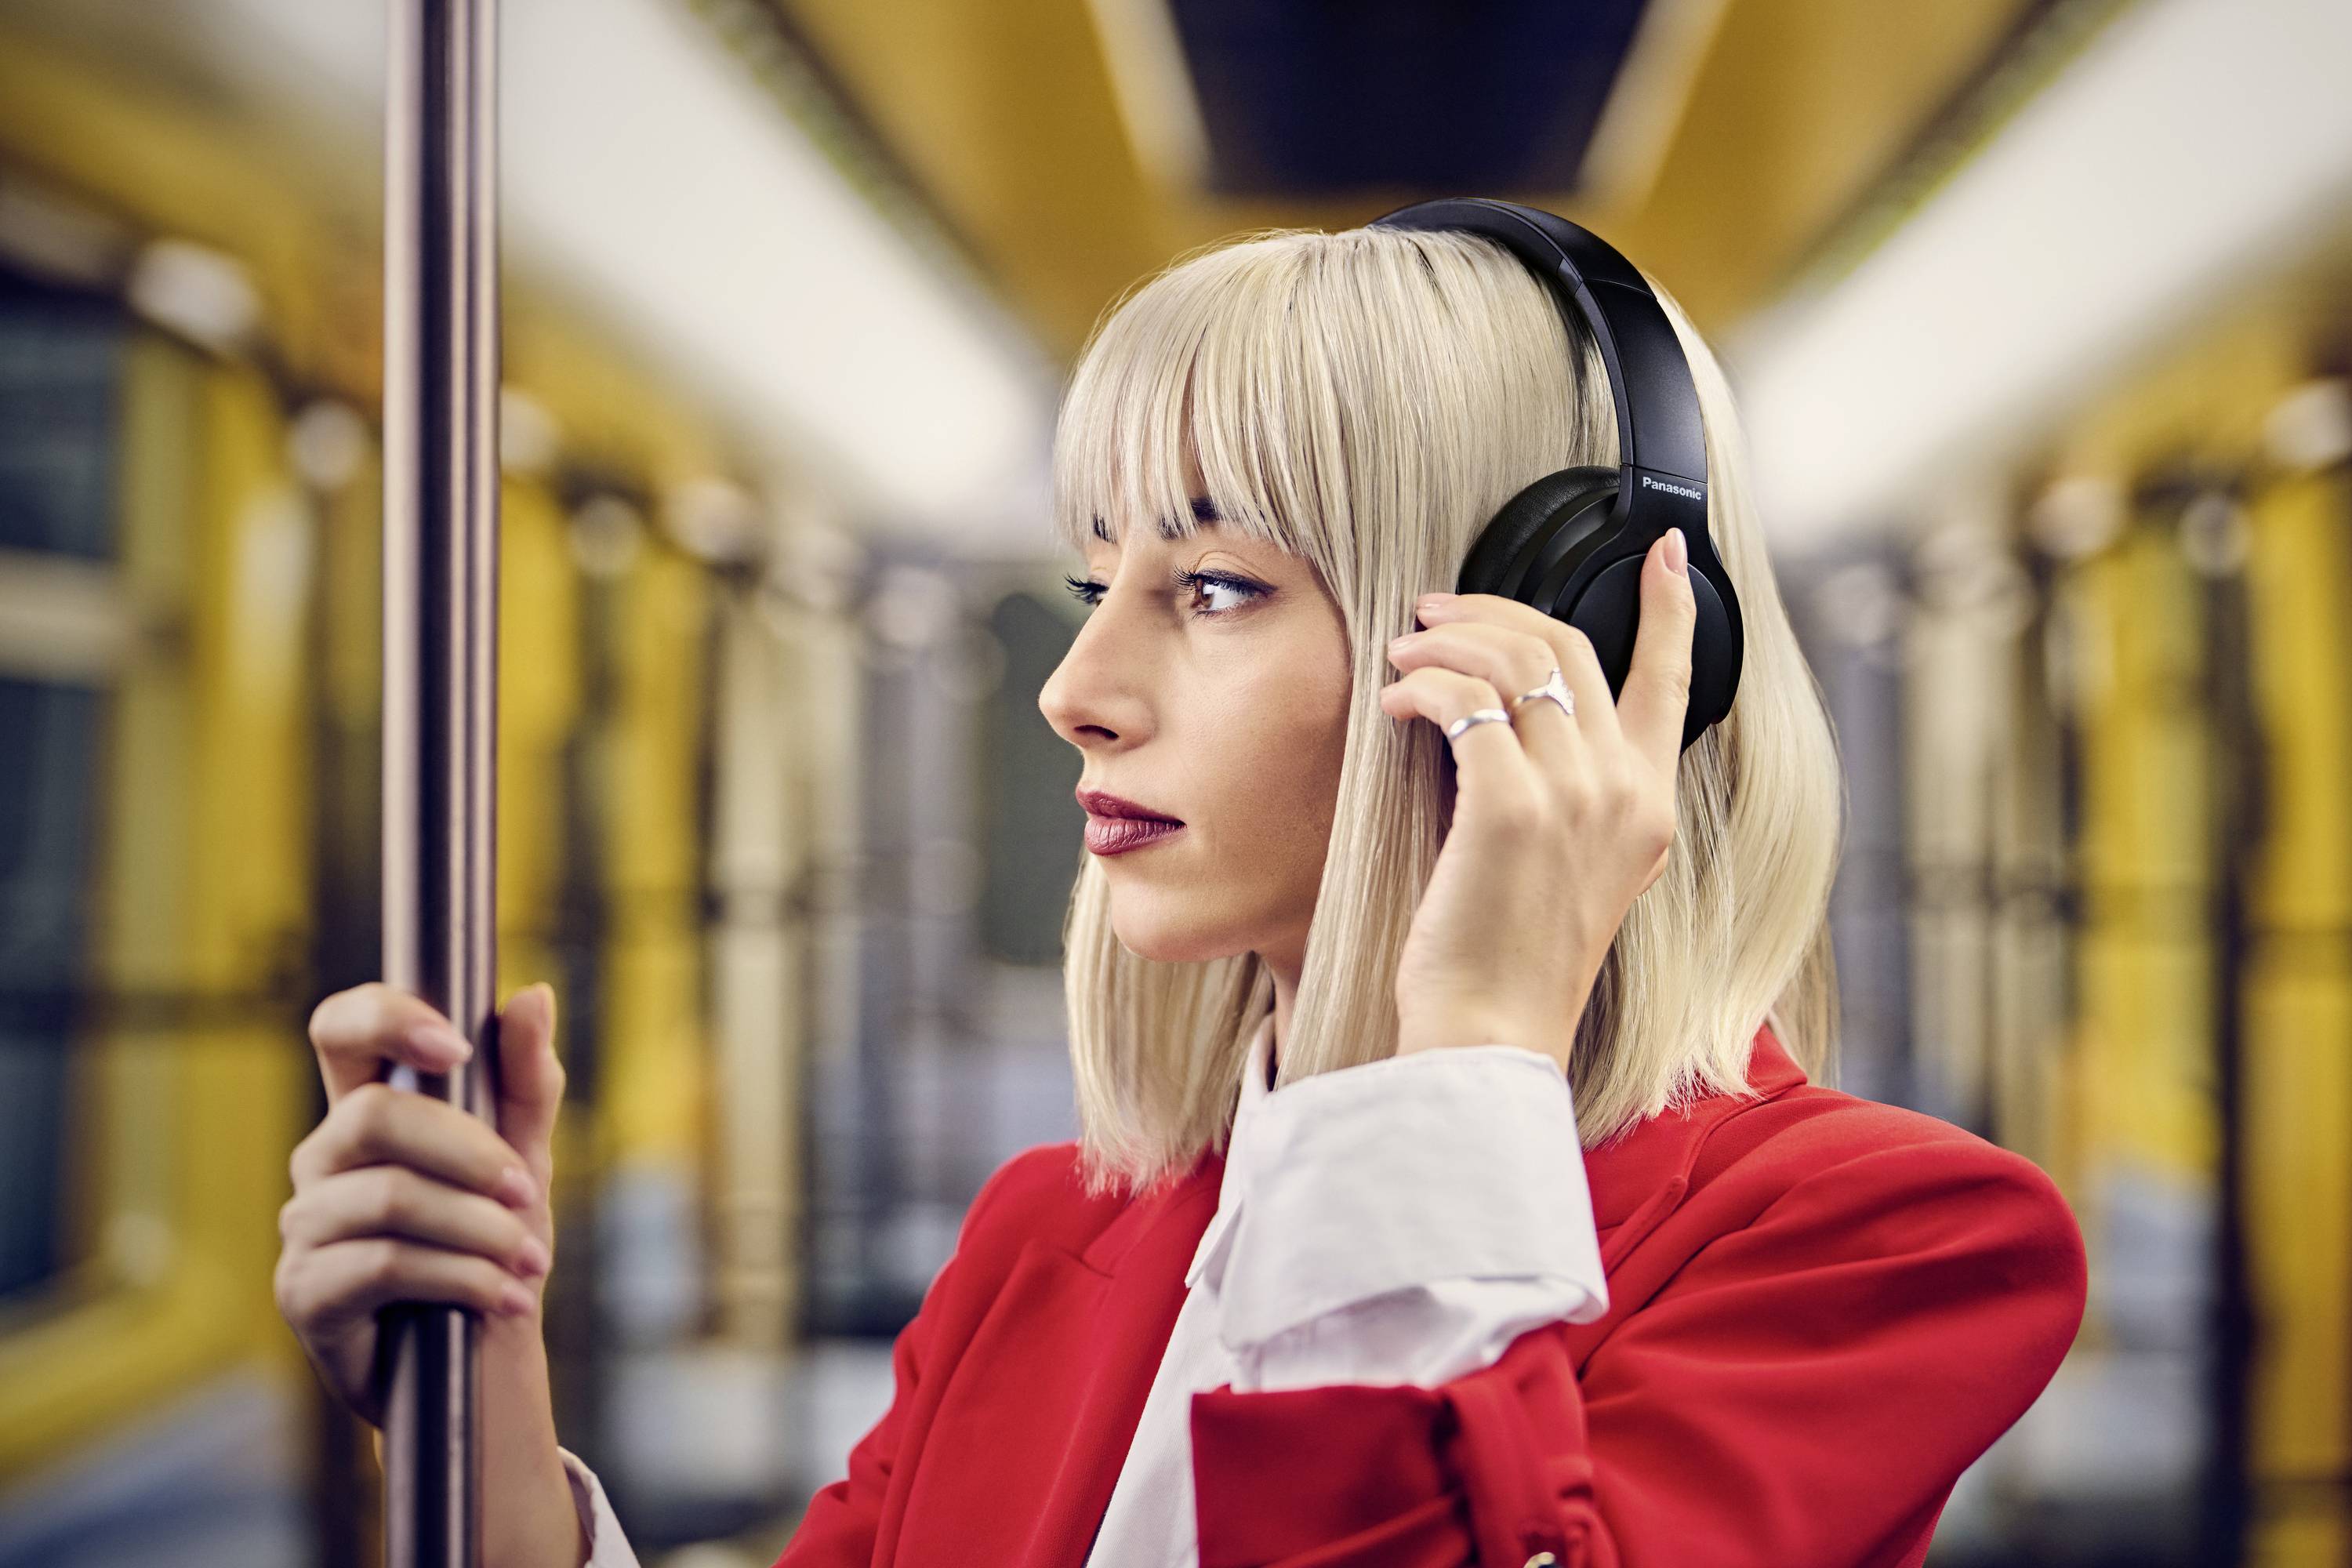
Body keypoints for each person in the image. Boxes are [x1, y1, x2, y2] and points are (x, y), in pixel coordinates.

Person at [275, 220, 2088, 1568]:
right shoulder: (1043, 1232)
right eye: (1091, 586)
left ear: (1562, 632)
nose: (1077, 692)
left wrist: (1457, 1063)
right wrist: (487, 1430)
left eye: (1213, 586)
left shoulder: (1889, 1247)